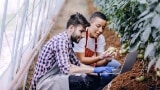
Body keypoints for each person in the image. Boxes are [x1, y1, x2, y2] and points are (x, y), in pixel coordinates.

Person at [30, 12, 114, 90]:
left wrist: (98, 73)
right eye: (81, 31)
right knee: (85, 82)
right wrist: (95, 70)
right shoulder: (61, 41)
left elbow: (77, 64)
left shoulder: (68, 42)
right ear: (71, 28)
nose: (83, 36)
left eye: (84, 32)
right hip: (44, 82)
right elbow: (67, 69)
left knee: (93, 79)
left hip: (53, 77)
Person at [73, 12, 121, 88]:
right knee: (104, 74)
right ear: (89, 23)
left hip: (91, 63)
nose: (101, 30)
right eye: (98, 26)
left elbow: (99, 63)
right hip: (77, 66)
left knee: (117, 66)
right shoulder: (81, 35)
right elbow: (81, 60)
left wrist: (106, 60)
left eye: (103, 27)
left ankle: (99, 87)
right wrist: (100, 57)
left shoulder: (100, 38)